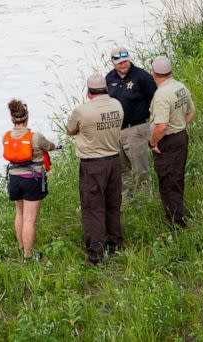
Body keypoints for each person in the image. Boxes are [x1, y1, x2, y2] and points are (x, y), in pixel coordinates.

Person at [66, 73, 124, 265]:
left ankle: (96, 255)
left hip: (93, 165)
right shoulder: (117, 105)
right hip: (114, 161)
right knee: (113, 204)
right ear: (106, 88)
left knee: (93, 209)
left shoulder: (83, 111)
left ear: (88, 91)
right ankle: (116, 245)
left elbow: (70, 130)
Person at [3, 99, 55, 261]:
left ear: (12, 119)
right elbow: (49, 146)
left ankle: (20, 248)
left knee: (19, 213)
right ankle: (28, 257)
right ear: (27, 118)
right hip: (32, 180)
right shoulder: (36, 137)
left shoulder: (6, 137)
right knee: (30, 219)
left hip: (14, 180)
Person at [148, 56, 196, 228]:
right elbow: (191, 112)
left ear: (154, 74)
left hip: (167, 140)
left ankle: (175, 221)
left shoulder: (162, 94)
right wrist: (180, 125)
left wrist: (153, 143)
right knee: (177, 177)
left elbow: (161, 126)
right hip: (181, 136)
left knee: (168, 180)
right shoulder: (180, 86)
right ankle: (177, 213)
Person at [106, 46, 157, 200]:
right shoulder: (109, 78)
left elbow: (154, 101)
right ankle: (126, 202)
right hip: (115, 131)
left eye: (126, 61)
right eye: (120, 63)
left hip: (137, 129)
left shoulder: (142, 77)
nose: (124, 65)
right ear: (113, 62)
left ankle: (144, 200)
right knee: (121, 170)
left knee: (141, 169)